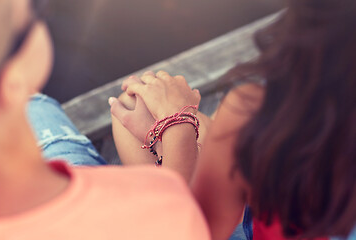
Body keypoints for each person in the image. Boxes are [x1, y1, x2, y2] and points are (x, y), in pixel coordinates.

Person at [0, 0, 210, 239]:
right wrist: (179, 122)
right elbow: (178, 209)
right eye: (35, 8)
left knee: (35, 106)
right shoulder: (151, 201)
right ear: (9, 81)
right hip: (106, 210)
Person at [109, 0, 356, 239]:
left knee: (129, 111)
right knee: (139, 103)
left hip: (195, 229)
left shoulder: (251, 111)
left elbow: (182, 233)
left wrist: (177, 128)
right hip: (267, 214)